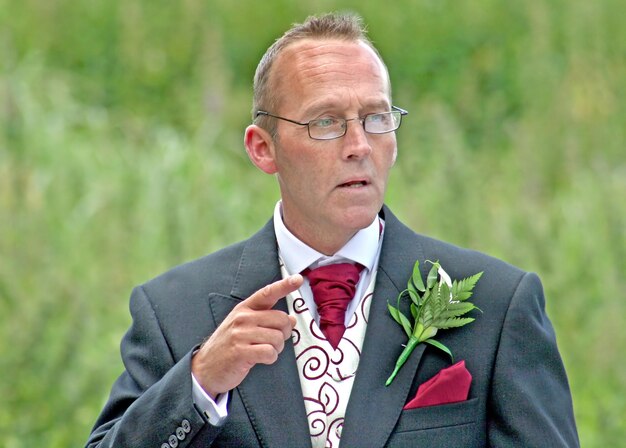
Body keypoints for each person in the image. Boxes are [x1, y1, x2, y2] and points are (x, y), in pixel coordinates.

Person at [87, 12, 579, 448]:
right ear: (263, 148)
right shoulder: (175, 312)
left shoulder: (497, 305)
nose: (359, 145)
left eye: (376, 118)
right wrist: (199, 384)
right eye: (327, 122)